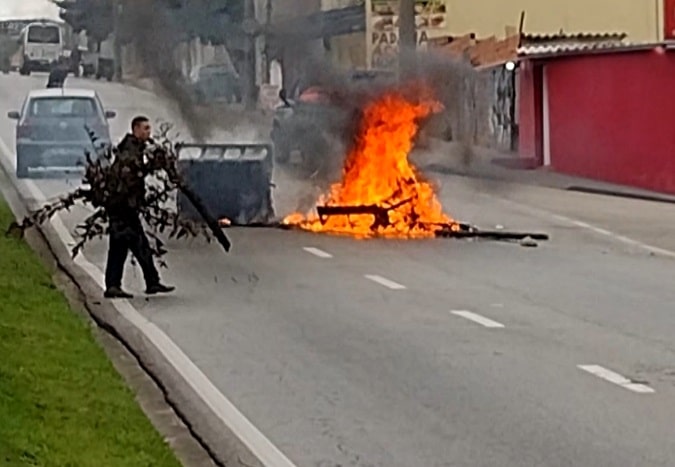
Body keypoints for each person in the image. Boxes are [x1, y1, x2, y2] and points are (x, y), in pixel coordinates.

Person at [103, 116, 175, 299]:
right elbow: (129, 177)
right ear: (135, 129)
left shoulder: (136, 149)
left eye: (149, 129)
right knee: (122, 246)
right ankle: (114, 285)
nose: (148, 133)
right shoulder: (129, 151)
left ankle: (151, 281)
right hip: (121, 207)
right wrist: (148, 168)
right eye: (145, 129)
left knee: (137, 244)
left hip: (127, 207)